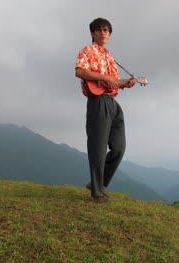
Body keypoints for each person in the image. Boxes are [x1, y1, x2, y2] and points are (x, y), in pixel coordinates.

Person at [75, 18, 136, 203]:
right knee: (98, 147)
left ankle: (98, 182)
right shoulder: (87, 50)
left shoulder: (109, 56)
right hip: (97, 101)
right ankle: (97, 191)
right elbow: (79, 71)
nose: (103, 33)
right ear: (93, 33)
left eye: (107, 30)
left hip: (112, 102)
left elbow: (113, 83)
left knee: (119, 147)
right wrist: (103, 77)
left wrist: (127, 84)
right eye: (100, 30)